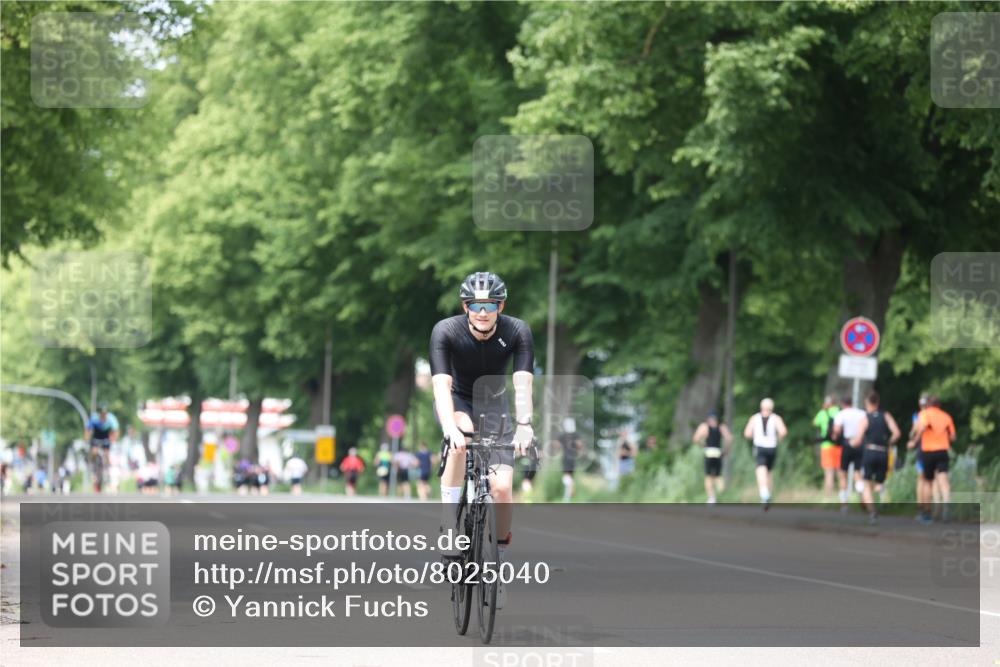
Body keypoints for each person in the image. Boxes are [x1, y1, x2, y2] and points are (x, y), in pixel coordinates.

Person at [430, 271, 535, 610]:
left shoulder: (517, 330)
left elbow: (522, 384)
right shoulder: (446, 331)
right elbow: (440, 387)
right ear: (466, 306)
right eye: (476, 304)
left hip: (496, 406)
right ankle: (449, 524)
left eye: (490, 304)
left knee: (502, 489)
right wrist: (450, 427)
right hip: (458, 401)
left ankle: (497, 564)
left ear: (500, 306)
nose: (483, 311)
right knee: (460, 439)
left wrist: (525, 425)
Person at [855, 391, 901, 524]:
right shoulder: (886, 416)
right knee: (880, 482)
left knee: (866, 482)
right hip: (883, 452)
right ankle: (883, 495)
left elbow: (858, 439)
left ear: (867, 403)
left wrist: (851, 443)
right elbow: (897, 433)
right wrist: (889, 443)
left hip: (870, 451)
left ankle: (872, 512)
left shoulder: (865, 418)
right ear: (878, 402)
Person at [910, 395, 956, 524]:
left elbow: (922, 427)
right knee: (943, 480)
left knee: (927, 482)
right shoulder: (947, 417)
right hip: (943, 451)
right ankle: (946, 505)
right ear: (939, 405)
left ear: (929, 404)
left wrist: (915, 441)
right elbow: (953, 437)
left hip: (928, 451)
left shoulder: (925, 414)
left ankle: (927, 513)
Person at [742, 398, 787, 510]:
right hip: (772, 447)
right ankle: (768, 495)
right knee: (769, 472)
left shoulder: (754, 418)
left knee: (760, 470)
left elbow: (747, 433)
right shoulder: (776, 418)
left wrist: (755, 437)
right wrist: (778, 439)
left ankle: (764, 494)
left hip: (760, 447)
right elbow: (783, 432)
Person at [832, 395, 866, 512]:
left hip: (847, 444)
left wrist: (834, 436)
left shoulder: (841, 414)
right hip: (859, 443)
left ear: (842, 403)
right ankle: (863, 497)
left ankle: (844, 504)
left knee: (842, 474)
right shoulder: (861, 413)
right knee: (858, 473)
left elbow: (837, 430)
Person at [692, 411, 733, 504]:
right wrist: (726, 450)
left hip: (709, 452)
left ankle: (711, 497)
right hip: (718, 452)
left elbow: (695, 439)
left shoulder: (704, 427)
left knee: (708, 476)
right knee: (718, 475)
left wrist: (702, 446)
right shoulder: (722, 427)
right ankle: (720, 488)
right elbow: (729, 438)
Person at [812, 395, 841, 498]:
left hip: (826, 446)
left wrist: (823, 410)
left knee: (829, 472)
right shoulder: (839, 411)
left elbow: (814, 422)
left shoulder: (822, 412)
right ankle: (842, 496)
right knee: (840, 471)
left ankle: (828, 496)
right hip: (838, 445)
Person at [554, 419, 583, 502]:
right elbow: (579, 445)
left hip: (568, 458)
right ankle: (569, 494)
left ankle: (568, 496)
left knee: (567, 477)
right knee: (568, 477)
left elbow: (556, 444)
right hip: (570, 458)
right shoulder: (572, 435)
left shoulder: (568, 435)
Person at [85, 404, 120, 469]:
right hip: (96, 436)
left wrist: (114, 439)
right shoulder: (94, 418)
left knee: (106, 453)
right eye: (102, 413)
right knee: (94, 452)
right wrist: (86, 439)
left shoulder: (111, 419)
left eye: (105, 413)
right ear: (99, 413)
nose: (103, 415)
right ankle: (92, 464)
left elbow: (116, 430)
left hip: (106, 436)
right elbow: (88, 429)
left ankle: (107, 469)